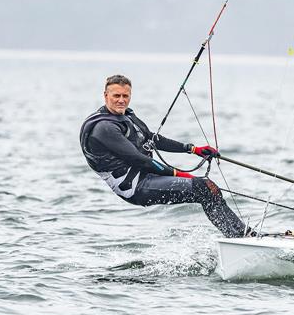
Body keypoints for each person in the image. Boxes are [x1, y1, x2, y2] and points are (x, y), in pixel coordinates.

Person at [79, 74, 246, 237]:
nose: (121, 100)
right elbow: (139, 160)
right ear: (105, 95)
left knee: (209, 189)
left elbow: (152, 138)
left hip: (148, 177)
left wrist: (193, 149)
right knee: (204, 188)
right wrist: (180, 174)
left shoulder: (126, 116)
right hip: (136, 188)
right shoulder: (104, 128)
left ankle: (240, 235)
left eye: (125, 96)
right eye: (116, 96)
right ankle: (239, 237)